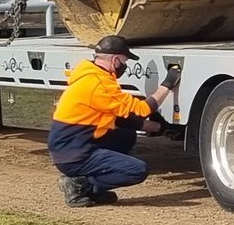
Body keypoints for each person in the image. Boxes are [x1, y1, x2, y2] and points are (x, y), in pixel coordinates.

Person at [48, 34, 158, 207]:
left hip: (68, 146)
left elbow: (118, 117)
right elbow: (142, 109)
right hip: (73, 153)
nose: (125, 66)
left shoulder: (90, 75)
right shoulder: (98, 84)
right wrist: (168, 84)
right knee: (138, 170)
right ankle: (81, 186)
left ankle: (88, 184)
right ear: (115, 60)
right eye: (124, 61)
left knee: (126, 135)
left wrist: (149, 126)